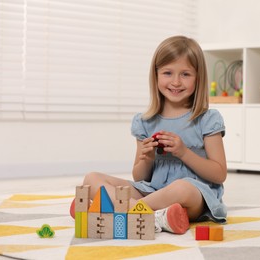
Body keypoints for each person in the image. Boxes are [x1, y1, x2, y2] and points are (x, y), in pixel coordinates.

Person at [71, 35, 227, 234]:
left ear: (198, 78)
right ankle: (147, 214)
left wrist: (184, 153)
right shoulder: (145, 121)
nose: (176, 82)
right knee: (91, 178)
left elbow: (219, 173)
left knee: (181, 187)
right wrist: (147, 158)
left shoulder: (207, 119)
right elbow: (139, 175)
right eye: (168, 73)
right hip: (152, 190)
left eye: (186, 74)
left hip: (195, 196)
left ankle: (121, 210)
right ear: (156, 76)